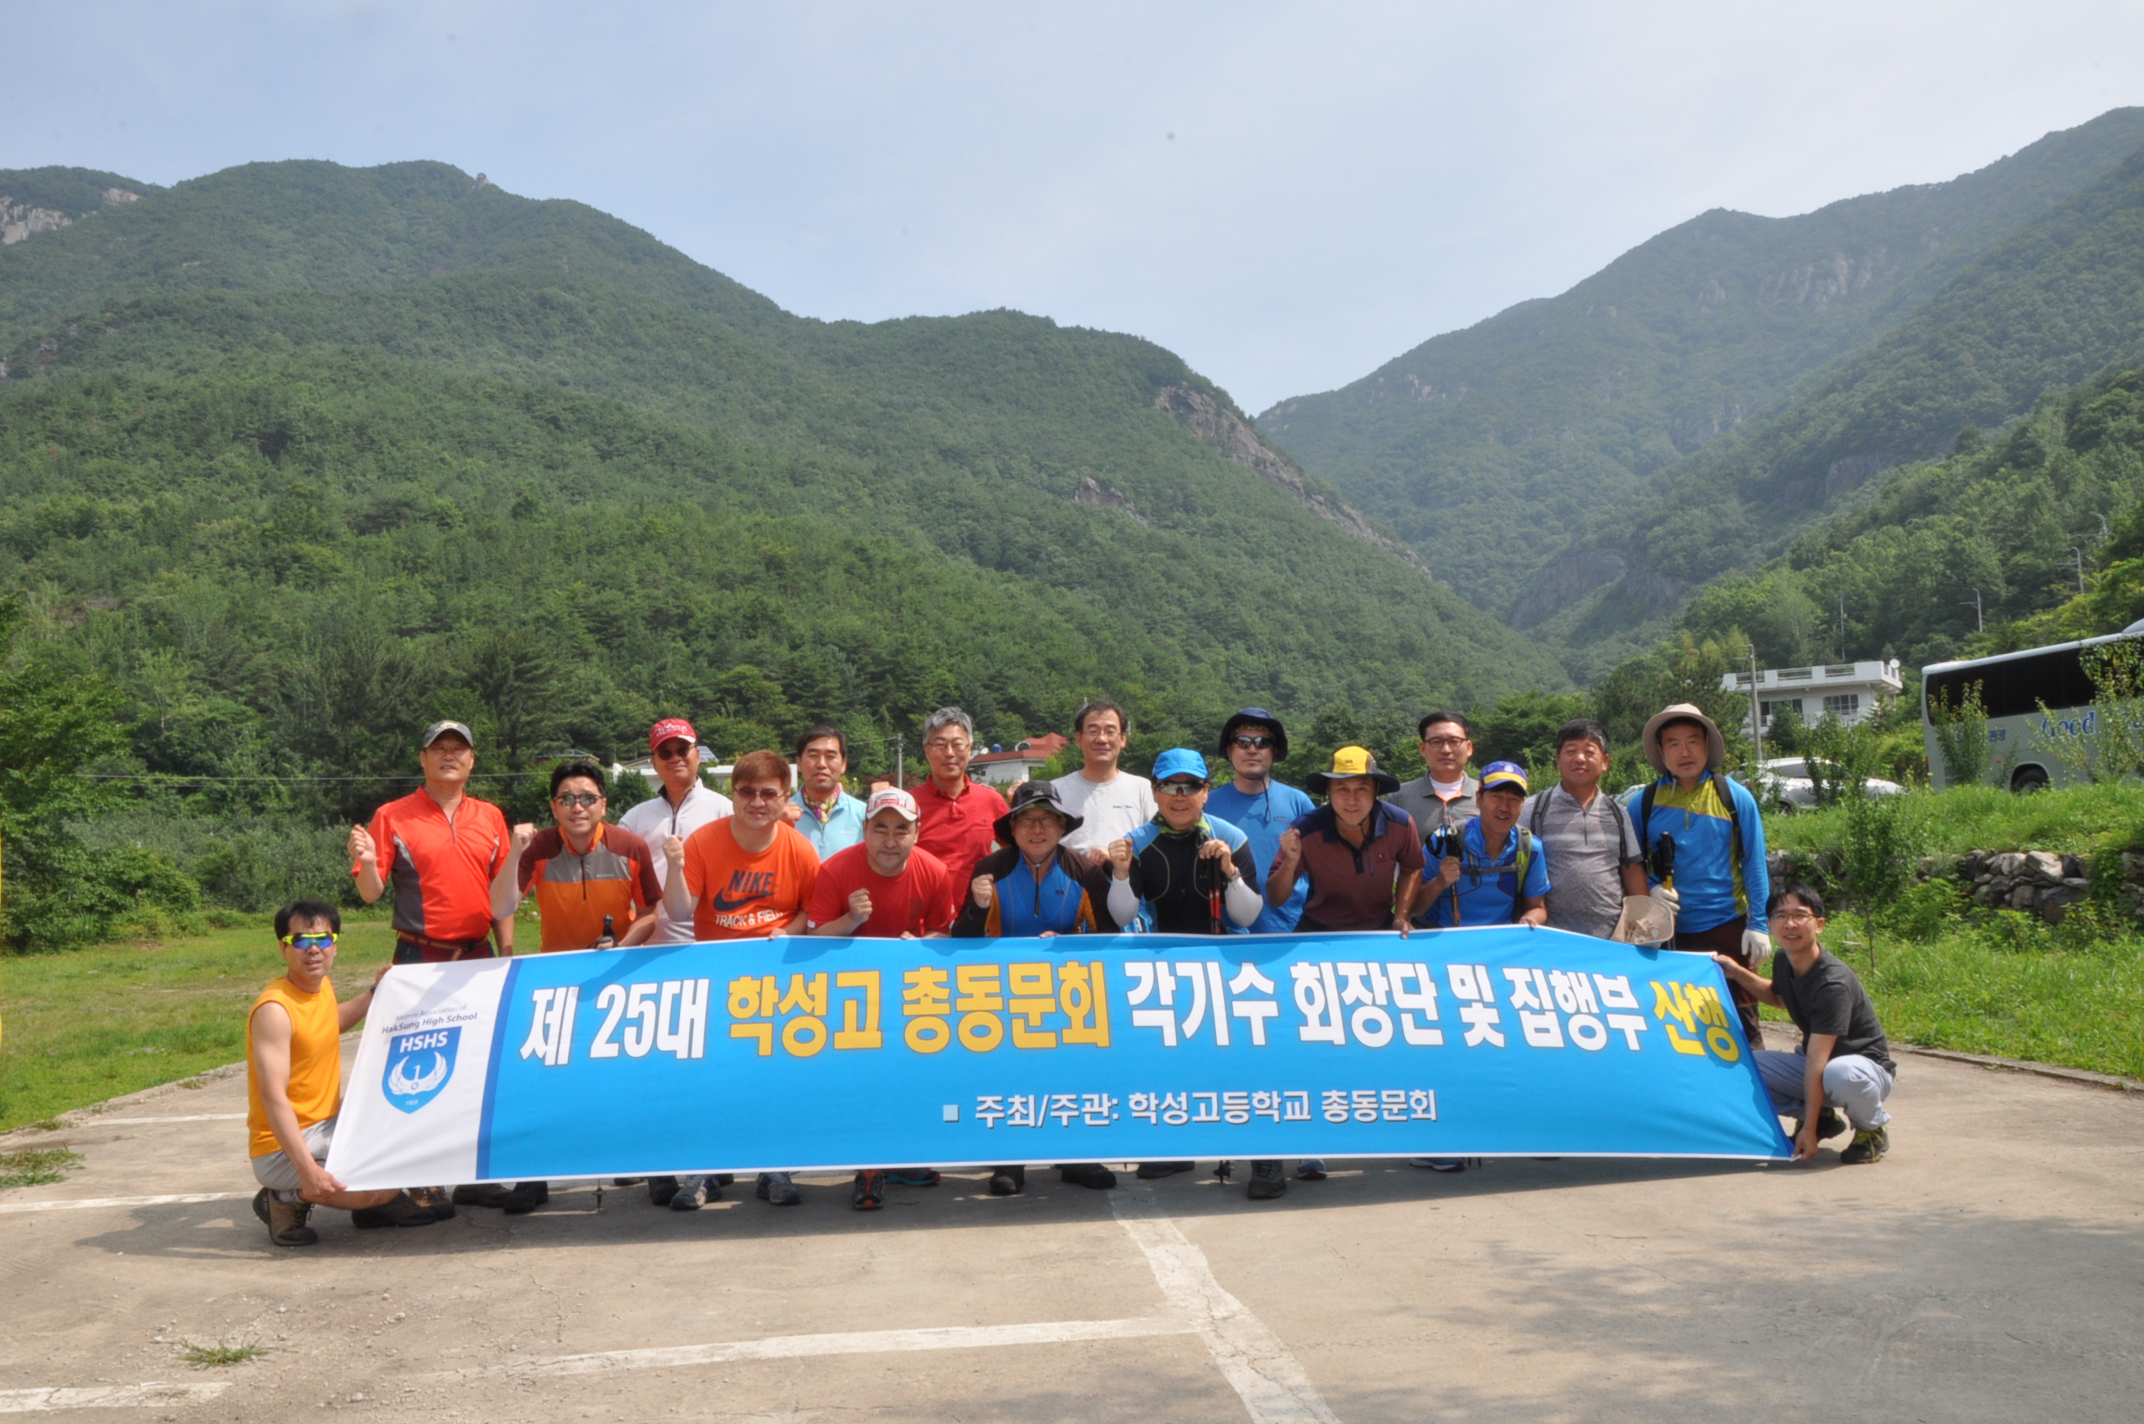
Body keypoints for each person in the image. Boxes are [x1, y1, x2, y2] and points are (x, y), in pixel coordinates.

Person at [478, 760, 665, 1215]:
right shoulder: (538, 848)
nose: (577, 806)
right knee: (543, 1081)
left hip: (619, 975)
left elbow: (651, 913)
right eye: (566, 798)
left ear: (603, 804)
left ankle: (656, 1168)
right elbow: (500, 906)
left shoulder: (631, 846)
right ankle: (533, 1177)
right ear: (554, 807)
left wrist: (622, 945)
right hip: (557, 980)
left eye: (587, 798)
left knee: (631, 1076)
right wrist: (514, 853)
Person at [347, 718, 509, 1219]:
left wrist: (506, 953)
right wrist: (367, 861)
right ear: (423, 759)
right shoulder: (392, 815)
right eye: (439, 748)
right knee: (415, 1070)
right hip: (420, 957)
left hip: (478, 957)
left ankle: (476, 1178)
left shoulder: (491, 816)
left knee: (479, 1066)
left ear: (472, 760)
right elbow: (370, 893)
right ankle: (420, 1178)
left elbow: (502, 896)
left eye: (459, 748)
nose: (449, 755)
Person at [654, 749, 820, 1211]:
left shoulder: (799, 849)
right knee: (713, 1080)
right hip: (718, 981)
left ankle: (774, 1168)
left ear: (785, 797)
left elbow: (813, 911)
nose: (757, 802)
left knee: (773, 1079)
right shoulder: (705, 841)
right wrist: (675, 867)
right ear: (732, 794)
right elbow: (680, 911)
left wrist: (789, 932)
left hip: (778, 983)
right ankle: (705, 1170)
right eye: (747, 792)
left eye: (768, 793)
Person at [952, 780, 1123, 1197]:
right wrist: (978, 907)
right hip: (1003, 995)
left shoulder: (1085, 872)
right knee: (1008, 1074)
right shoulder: (990, 870)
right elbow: (961, 940)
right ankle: (1010, 1159)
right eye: (1027, 819)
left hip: (1069, 995)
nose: (1037, 828)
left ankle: (1078, 1157)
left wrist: (1068, 945)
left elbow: (1110, 939)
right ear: (1012, 828)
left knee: (1074, 1072)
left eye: (1047, 819)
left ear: (1062, 826)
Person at [1106, 748, 1262, 1186]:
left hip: (1227, 967)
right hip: (1163, 969)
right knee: (1168, 1063)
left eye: (1190, 786)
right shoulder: (1137, 842)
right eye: (1170, 786)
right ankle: (1174, 1147)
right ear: (1155, 792)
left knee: (1235, 1063)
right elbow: (1122, 915)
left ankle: (1254, 1150)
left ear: (1206, 792)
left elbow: (1249, 915)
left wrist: (1230, 871)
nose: (1179, 796)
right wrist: (1121, 873)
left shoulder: (1231, 837)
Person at [247, 900, 434, 1246]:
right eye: (301, 940)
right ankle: (285, 1197)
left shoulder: (320, 988)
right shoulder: (275, 1010)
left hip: (329, 1122)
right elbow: (273, 1098)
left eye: (323, 939)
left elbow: (331, 1021)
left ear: (335, 945)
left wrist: (377, 990)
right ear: (283, 949)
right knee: (376, 1187)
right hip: (281, 1146)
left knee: (410, 1111)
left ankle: (374, 1206)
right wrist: (307, 1170)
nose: (313, 949)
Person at [807, 786, 957, 1210]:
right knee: (863, 1082)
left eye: (901, 830)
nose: (890, 841)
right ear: (865, 830)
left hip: (909, 995)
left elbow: (944, 932)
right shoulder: (836, 870)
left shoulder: (934, 871)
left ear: (917, 832)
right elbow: (813, 939)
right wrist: (851, 919)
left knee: (909, 1078)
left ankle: (900, 1159)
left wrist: (921, 945)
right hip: (849, 997)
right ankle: (869, 1168)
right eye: (881, 829)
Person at [1712, 884, 1894, 1165]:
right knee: (1744, 1066)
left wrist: (1806, 1131)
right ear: (1770, 925)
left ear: (1819, 925)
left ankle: (1871, 1128)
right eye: (1781, 916)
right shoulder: (1785, 959)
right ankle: (1821, 1118)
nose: (1790, 924)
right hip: (1820, 1066)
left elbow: (1816, 1062)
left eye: (1800, 915)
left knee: (1840, 1073)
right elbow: (1778, 997)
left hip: (1864, 1070)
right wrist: (1737, 973)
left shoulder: (1832, 983)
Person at [1634, 702, 1771, 1042]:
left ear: (1707, 746)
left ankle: (1756, 1076)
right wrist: (1651, 888)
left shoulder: (1734, 797)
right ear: (1661, 751)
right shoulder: (1643, 803)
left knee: (1741, 1023)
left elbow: (1754, 862)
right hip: (1668, 933)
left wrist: (1758, 925)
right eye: (1674, 743)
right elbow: (1629, 863)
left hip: (1728, 926)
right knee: (1677, 1024)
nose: (1685, 752)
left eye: (1693, 741)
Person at [1519, 719, 1648, 940]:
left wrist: (1644, 922)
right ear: (1557, 759)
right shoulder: (1533, 809)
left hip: (1611, 939)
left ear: (1605, 762)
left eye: (1589, 752)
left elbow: (1632, 871)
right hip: (1549, 937)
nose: (1580, 758)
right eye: (1571, 751)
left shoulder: (1618, 813)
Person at [618, 718, 735, 945]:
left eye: (682, 750)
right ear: (654, 763)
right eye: (665, 753)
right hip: (649, 944)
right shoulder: (634, 818)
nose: (675, 759)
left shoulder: (725, 810)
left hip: (711, 941)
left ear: (698, 755)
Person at [1204, 708, 1315, 934]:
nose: (1252, 750)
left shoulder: (1298, 802)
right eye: (1243, 742)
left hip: (1291, 931)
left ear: (1274, 751)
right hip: (1228, 934)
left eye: (1263, 743)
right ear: (1229, 750)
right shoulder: (1207, 805)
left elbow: (1319, 866)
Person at [1416, 761, 1550, 930]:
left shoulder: (1530, 847)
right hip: (1445, 939)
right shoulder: (1443, 840)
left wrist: (1529, 920)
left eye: (1514, 800)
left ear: (1523, 805)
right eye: (1496, 797)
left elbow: (1538, 907)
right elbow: (1412, 908)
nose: (1504, 807)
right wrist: (1439, 882)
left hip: (1500, 941)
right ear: (1479, 800)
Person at [1390, 712, 1481, 927]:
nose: (1446, 749)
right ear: (1422, 748)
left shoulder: (1488, 796)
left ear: (1469, 747)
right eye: (1436, 742)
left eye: (1454, 741)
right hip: (1415, 920)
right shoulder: (1399, 798)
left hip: (1476, 918)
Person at [1053, 699, 1157, 866]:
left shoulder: (1143, 789)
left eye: (1110, 732)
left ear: (1123, 739)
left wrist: (1116, 857)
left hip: (1129, 879)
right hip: (1071, 880)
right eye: (1093, 731)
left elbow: (1156, 847)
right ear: (1079, 739)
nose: (1101, 739)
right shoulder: (1055, 790)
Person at [912, 706, 1011, 879]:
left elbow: (1015, 851)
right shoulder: (909, 803)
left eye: (957, 744)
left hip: (979, 896)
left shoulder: (991, 799)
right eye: (940, 745)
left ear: (969, 749)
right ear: (926, 750)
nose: (949, 753)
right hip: (925, 896)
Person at [784, 724, 868, 857]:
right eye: (813, 756)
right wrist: (778, 827)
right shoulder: (780, 816)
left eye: (830, 757)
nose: (821, 764)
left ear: (843, 765)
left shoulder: (864, 816)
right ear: (799, 763)